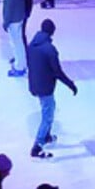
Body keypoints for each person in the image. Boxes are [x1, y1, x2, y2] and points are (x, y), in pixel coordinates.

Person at [27, 19, 77, 158]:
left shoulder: (32, 44)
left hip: (35, 83)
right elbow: (57, 71)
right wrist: (70, 84)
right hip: (45, 86)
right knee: (47, 115)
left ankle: (47, 135)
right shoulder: (49, 49)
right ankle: (38, 145)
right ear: (52, 32)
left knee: (49, 108)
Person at [3, 0, 31, 77]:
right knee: (18, 42)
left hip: (13, 20)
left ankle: (19, 67)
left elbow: (8, 8)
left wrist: (6, 22)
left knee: (16, 43)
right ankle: (21, 63)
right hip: (19, 18)